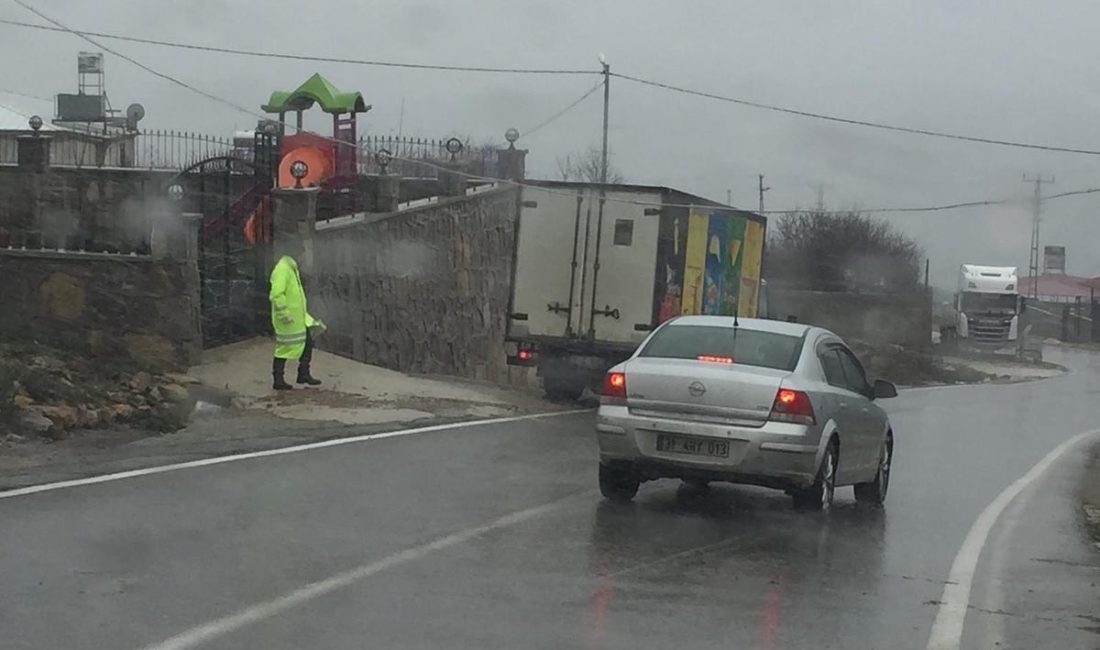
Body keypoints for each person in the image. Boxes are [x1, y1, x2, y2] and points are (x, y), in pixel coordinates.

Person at [269, 239, 323, 390]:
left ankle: (303, 374)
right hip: (288, 319)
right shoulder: (283, 269)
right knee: (283, 348)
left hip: (297, 318)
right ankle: (278, 379)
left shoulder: (291, 267)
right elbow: (276, 295)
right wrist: (284, 314)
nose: (303, 256)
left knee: (307, 343)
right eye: (301, 252)